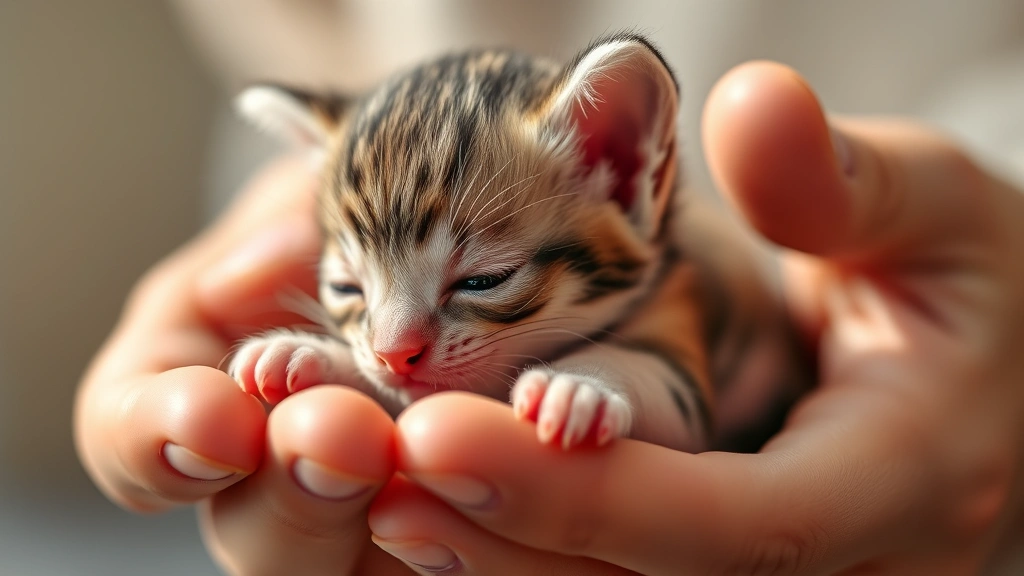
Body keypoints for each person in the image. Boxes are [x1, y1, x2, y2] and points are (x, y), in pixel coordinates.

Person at [75, 56, 1024, 573]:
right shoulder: (399, 332)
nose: (391, 345)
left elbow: (676, 402)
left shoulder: (671, 288)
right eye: (352, 290)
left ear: (618, 175)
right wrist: (327, 366)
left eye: (480, 279)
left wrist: (604, 383)